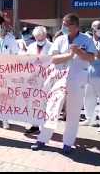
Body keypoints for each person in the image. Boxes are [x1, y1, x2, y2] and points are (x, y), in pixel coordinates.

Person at [31, 13, 96, 154]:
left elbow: (91, 58)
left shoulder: (87, 39)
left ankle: (68, 143)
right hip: (59, 80)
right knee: (51, 110)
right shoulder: (60, 39)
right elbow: (53, 58)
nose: (64, 27)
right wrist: (69, 55)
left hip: (77, 81)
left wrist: (78, 51)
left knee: (73, 113)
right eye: (63, 24)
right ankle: (42, 139)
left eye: (67, 25)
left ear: (76, 26)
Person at [81, 20, 100, 132]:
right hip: (89, 74)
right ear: (92, 29)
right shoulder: (89, 40)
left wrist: (93, 51)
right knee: (88, 98)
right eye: (98, 28)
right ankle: (90, 119)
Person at [24, 26, 53, 133]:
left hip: (46, 77)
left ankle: (45, 126)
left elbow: (54, 61)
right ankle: (34, 124)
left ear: (45, 36)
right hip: (33, 77)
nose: (39, 40)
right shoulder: (31, 46)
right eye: (37, 38)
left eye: (41, 38)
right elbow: (27, 60)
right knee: (33, 102)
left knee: (45, 102)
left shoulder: (52, 46)